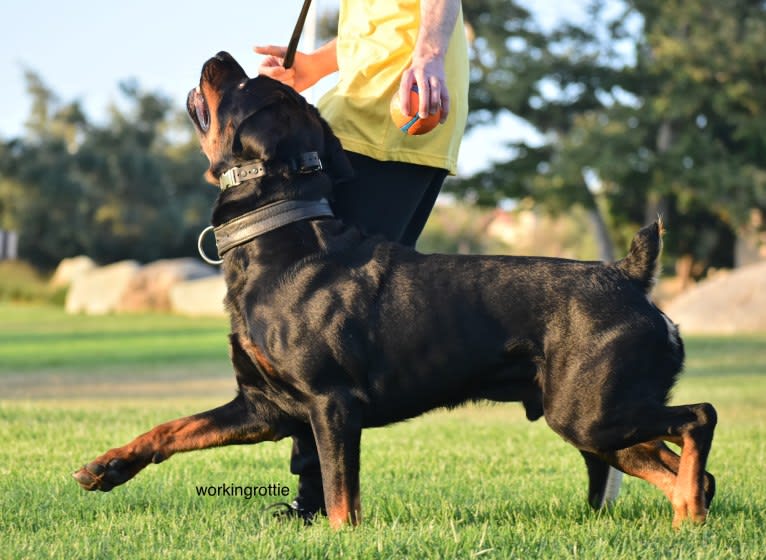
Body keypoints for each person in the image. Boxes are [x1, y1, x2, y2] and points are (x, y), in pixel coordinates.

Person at [255, 0, 469, 521]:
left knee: (320, 321)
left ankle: (315, 502)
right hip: (371, 116)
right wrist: (315, 66)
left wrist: (430, 53)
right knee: (328, 318)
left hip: (388, 121)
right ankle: (315, 493)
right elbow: (379, 25)